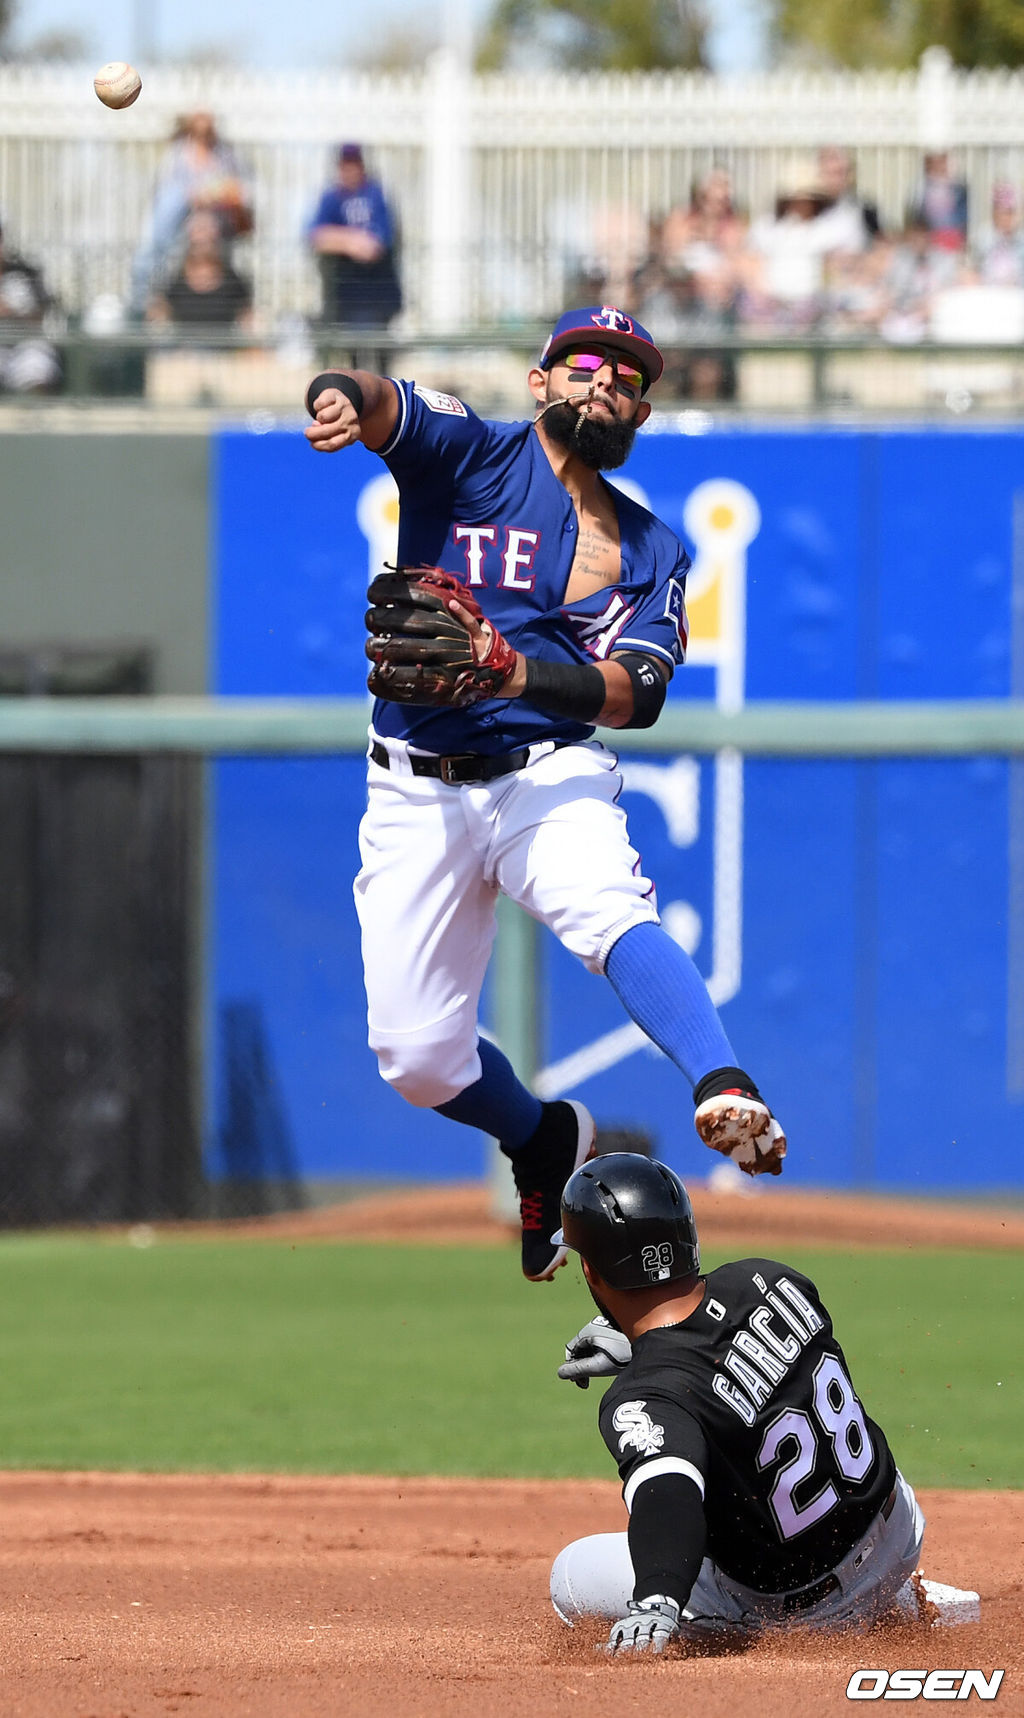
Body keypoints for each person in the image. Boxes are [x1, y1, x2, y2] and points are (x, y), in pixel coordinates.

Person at [303, 305, 786, 1283]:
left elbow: (635, 695)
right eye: (584, 363)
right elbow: (377, 398)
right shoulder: (468, 454)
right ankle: (544, 1135)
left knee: (608, 908)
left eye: (626, 375)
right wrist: (334, 399)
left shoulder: (649, 549)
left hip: (544, 775)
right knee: (417, 1059)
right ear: (540, 381)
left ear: (641, 411)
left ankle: (720, 1079)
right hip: (414, 789)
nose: (604, 379)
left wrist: (513, 670)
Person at [549, 1152, 978, 1651]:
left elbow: (669, 1496)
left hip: (812, 1608)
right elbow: (741, 1362)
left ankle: (859, 1614)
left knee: (568, 1577)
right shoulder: (771, 1277)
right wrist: (650, 1348)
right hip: (900, 1529)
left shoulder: (643, 1396)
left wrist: (657, 1599)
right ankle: (897, 1597)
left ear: (591, 1272)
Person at [129, 111, 253, 317]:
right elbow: (165, 197)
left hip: (217, 221)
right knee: (173, 200)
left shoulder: (226, 156)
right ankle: (140, 305)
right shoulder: (176, 156)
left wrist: (216, 194)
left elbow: (239, 195)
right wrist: (197, 194)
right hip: (181, 226)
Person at [307, 143, 402, 331]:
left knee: (375, 342)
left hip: (376, 293)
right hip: (343, 293)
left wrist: (341, 239)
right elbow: (317, 236)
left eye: (354, 164)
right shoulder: (332, 197)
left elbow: (376, 244)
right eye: (345, 164)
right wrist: (349, 241)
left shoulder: (376, 195)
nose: (350, 169)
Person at [147, 210, 253, 331]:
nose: (202, 239)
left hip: (222, 348)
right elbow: (159, 312)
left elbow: (247, 315)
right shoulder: (173, 279)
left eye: (207, 232)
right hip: (182, 348)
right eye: (198, 231)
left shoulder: (234, 282)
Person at [0, 216, 61, 394]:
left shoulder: (25, 271)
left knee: (37, 364)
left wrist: (11, 312)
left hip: (24, 345)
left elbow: (43, 315)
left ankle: (33, 420)